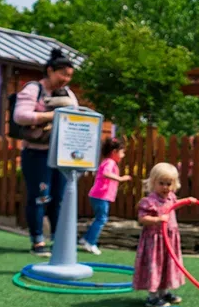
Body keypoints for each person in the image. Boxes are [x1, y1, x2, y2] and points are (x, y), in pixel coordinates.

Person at [13, 49, 80, 256]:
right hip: (37, 153)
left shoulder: (68, 93)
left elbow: (76, 114)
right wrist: (52, 116)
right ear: (50, 71)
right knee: (40, 196)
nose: (65, 80)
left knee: (59, 199)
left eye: (69, 76)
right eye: (62, 74)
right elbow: (20, 116)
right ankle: (37, 241)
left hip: (61, 155)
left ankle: (59, 240)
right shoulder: (34, 89)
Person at [133, 161, 185, 307]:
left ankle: (164, 292)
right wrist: (158, 219)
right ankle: (153, 297)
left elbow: (175, 204)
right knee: (155, 266)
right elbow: (142, 219)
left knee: (167, 266)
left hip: (170, 239)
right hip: (155, 241)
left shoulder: (171, 197)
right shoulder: (149, 201)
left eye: (169, 183)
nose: (165, 187)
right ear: (153, 182)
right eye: (161, 183)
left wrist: (187, 201)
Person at [82, 136, 130, 254]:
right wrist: (120, 178)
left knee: (99, 218)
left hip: (98, 196)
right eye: (122, 152)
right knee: (101, 219)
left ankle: (85, 239)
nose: (123, 155)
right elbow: (105, 173)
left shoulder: (108, 162)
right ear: (114, 152)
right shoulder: (110, 162)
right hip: (100, 196)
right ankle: (90, 243)